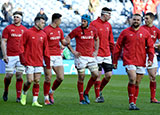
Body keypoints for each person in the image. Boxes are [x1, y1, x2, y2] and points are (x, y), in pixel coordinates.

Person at [113, 14, 154, 110]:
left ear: (141, 21)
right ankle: (131, 102)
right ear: (131, 20)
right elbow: (118, 47)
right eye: (134, 19)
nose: (136, 21)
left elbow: (150, 47)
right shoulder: (125, 32)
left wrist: (151, 59)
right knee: (132, 78)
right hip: (129, 59)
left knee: (137, 82)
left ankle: (134, 102)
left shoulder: (145, 33)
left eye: (138, 20)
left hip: (141, 60)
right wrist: (115, 60)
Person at [65, 14, 99, 104]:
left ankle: (86, 92)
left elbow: (97, 39)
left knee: (95, 75)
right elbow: (67, 39)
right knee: (81, 76)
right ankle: (81, 99)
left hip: (91, 57)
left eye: (84, 21)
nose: (82, 23)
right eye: (82, 21)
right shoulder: (77, 30)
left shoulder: (93, 30)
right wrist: (73, 52)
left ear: (88, 22)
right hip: (80, 57)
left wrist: (96, 50)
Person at [20, 16, 50, 107]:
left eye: (44, 23)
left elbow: (46, 50)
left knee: (37, 81)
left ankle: (35, 101)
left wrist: (47, 62)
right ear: (37, 23)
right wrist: (22, 58)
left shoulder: (43, 34)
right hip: (29, 61)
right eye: (42, 23)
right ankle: (24, 94)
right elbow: (21, 46)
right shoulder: (27, 32)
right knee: (29, 80)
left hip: (39, 61)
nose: (43, 25)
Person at [43, 13, 70, 105]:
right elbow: (42, 43)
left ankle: (51, 92)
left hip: (57, 55)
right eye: (60, 20)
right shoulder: (46, 30)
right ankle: (46, 98)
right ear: (56, 20)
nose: (60, 22)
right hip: (48, 56)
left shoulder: (59, 30)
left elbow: (63, 42)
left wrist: (67, 42)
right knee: (48, 78)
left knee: (61, 77)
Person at [89, 7, 115, 103]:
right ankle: (97, 97)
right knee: (98, 75)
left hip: (107, 53)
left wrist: (113, 53)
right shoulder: (94, 24)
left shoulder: (108, 25)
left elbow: (111, 40)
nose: (110, 16)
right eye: (109, 14)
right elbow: (90, 38)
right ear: (105, 14)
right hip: (98, 54)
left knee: (108, 75)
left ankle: (99, 89)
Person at [1, 11, 27, 103]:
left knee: (19, 75)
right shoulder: (8, 28)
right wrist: (4, 55)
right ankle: (6, 90)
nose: (15, 18)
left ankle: (18, 96)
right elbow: (3, 42)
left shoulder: (25, 30)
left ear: (21, 19)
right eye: (14, 17)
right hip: (10, 56)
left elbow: (27, 44)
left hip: (21, 55)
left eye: (17, 17)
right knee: (8, 76)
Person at [142, 12, 160, 103]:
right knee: (137, 78)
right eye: (144, 18)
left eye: (147, 18)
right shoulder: (141, 29)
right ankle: (133, 99)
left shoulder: (156, 30)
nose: (145, 20)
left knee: (153, 76)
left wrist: (157, 45)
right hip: (141, 54)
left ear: (152, 19)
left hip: (151, 55)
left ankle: (153, 98)